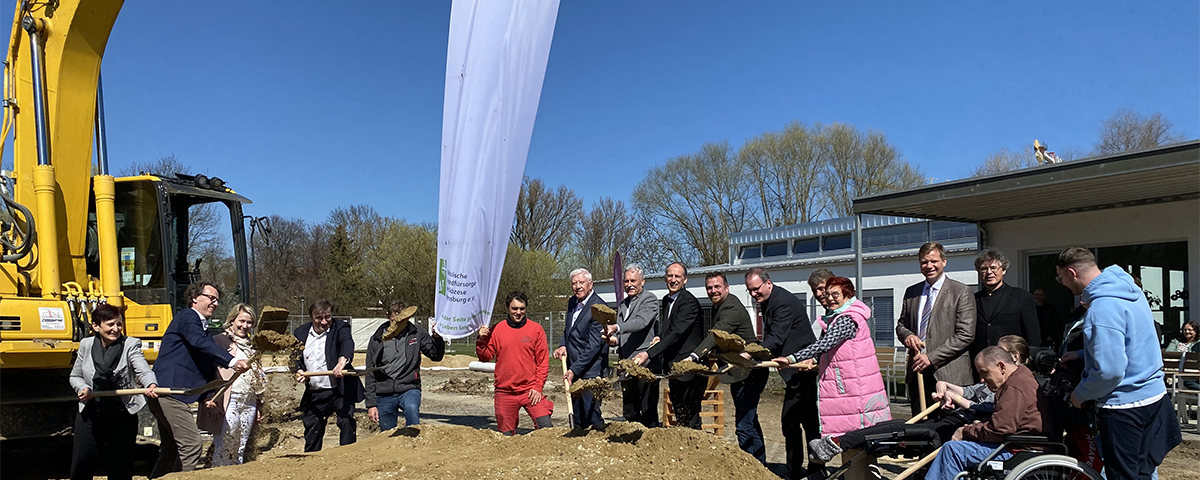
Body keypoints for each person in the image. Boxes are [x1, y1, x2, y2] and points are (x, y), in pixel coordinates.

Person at [807, 336, 1032, 465]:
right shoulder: (994, 380)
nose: (984, 375)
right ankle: (841, 443)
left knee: (903, 431)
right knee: (891, 425)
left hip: (964, 425)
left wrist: (958, 402)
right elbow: (968, 391)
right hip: (958, 418)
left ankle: (837, 443)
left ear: (1011, 360)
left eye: (1000, 353)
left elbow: (987, 411)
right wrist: (944, 386)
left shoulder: (1011, 385)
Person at [1057, 247, 1181, 479]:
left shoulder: (1101, 309)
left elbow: (1109, 372)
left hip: (1123, 408)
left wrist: (1080, 395)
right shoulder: (1132, 292)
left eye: (1061, 277)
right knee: (1144, 473)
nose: (1062, 284)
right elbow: (1137, 342)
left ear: (1072, 273)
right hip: (1155, 398)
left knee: (1123, 475)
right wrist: (1084, 355)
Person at [149, 281, 249, 477]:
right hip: (170, 392)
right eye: (211, 298)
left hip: (172, 392)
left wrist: (209, 394)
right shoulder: (188, 317)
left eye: (217, 300)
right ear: (195, 298)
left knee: (171, 447)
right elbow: (200, 344)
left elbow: (203, 364)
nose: (215, 303)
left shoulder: (200, 328)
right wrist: (232, 360)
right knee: (191, 445)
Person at [774, 276, 891, 439]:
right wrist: (814, 360)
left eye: (835, 294)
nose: (830, 299)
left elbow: (826, 343)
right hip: (851, 386)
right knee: (852, 438)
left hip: (855, 390)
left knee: (856, 438)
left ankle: (859, 465)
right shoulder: (840, 317)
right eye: (827, 295)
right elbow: (834, 349)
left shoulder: (848, 319)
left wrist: (791, 359)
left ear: (848, 295)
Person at [925, 346, 1052, 480]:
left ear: (1001, 367)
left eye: (985, 373)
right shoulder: (1020, 377)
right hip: (1017, 443)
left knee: (952, 451)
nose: (982, 379)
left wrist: (966, 431)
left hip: (1019, 449)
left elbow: (1000, 429)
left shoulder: (1014, 387)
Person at [744, 267, 820, 480]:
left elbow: (777, 337)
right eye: (749, 291)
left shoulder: (782, 302)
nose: (753, 294)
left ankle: (806, 470)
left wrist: (751, 353)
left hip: (802, 368)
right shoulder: (769, 301)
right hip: (793, 370)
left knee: (797, 422)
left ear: (768, 283)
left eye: (756, 289)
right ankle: (806, 469)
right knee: (801, 422)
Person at [70, 304, 159, 480]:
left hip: (121, 412)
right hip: (90, 410)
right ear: (96, 326)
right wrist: (82, 388)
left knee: (121, 464)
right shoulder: (86, 345)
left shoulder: (130, 344)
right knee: (83, 461)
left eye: (119, 324)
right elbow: (75, 375)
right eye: (110, 324)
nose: (115, 329)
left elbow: (142, 370)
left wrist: (151, 384)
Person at [685, 271, 767, 464]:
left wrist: (695, 356)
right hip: (739, 371)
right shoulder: (719, 306)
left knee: (744, 425)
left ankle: (750, 467)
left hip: (749, 371)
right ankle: (760, 466)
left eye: (717, 287)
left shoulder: (730, 308)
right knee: (750, 420)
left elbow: (716, 335)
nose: (713, 291)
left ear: (726, 288)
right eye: (709, 288)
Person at [896, 241, 976, 416]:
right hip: (918, 373)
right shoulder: (912, 292)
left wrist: (931, 357)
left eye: (934, 261)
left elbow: (965, 335)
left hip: (950, 374)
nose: (929, 266)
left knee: (949, 429)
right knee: (920, 429)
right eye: (924, 262)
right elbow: (901, 325)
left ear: (944, 262)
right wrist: (908, 336)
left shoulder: (961, 291)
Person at [633, 262, 704, 429]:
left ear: (685, 280)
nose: (673, 280)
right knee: (680, 414)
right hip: (674, 367)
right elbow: (669, 330)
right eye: (670, 276)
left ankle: (695, 452)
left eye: (677, 276)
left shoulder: (689, 303)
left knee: (691, 417)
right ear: (665, 278)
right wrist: (659, 337)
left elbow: (676, 333)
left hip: (689, 367)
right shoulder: (666, 300)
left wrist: (648, 354)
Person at [476, 291, 554, 435]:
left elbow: (543, 362)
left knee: (546, 428)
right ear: (507, 309)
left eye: (522, 309)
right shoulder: (497, 329)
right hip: (505, 392)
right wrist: (481, 341)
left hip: (530, 391)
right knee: (506, 437)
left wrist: (537, 387)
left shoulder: (536, 329)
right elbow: (485, 357)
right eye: (514, 308)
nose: (518, 312)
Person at [200, 303, 268, 466]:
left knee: (240, 447)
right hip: (229, 400)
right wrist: (210, 398)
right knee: (225, 445)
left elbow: (257, 373)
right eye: (242, 321)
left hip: (249, 400)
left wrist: (259, 403)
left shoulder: (252, 346)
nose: (245, 326)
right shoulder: (220, 342)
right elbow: (209, 371)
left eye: (249, 323)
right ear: (232, 320)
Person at [294, 300, 363, 452]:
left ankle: (347, 456)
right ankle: (311, 462)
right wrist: (298, 370)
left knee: (346, 421)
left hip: (339, 390)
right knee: (313, 427)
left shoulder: (340, 328)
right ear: (312, 317)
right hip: (315, 391)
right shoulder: (300, 333)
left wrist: (342, 361)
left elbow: (347, 343)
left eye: (328, 317)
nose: (324, 322)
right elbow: (295, 358)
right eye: (319, 318)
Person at [365, 301, 445, 431]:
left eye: (400, 322)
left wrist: (437, 337)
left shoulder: (416, 333)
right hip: (384, 391)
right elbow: (370, 371)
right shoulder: (377, 339)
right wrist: (370, 404)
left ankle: (414, 439)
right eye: (392, 321)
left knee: (411, 407)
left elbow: (435, 355)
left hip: (409, 387)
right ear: (388, 318)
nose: (395, 325)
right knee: (387, 433)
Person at [602, 264, 660, 428]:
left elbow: (640, 322)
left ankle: (650, 445)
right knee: (629, 410)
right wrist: (615, 340)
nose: (629, 284)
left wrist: (617, 327)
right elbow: (624, 334)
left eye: (633, 280)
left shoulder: (649, 299)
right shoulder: (623, 304)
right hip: (626, 363)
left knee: (647, 410)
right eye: (626, 281)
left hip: (645, 363)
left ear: (642, 281)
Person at [553, 268, 607, 429]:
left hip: (590, 370)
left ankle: (599, 445)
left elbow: (594, 345)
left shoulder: (598, 307)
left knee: (592, 414)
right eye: (574, 283)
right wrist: (563, 344)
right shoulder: (572, 302)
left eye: (581, 282)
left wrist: (574, 370)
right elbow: (568, 330)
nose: (578, 286)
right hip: (573, 367)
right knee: (577, 414)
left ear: (590, 284)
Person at [969, 248, 1040, 363]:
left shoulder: (1022, 297)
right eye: (984, 269)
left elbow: (1033, 336)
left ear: (1004, 270)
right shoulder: (972, 299)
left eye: (993, 268)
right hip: (981, 364)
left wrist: (1028, 362)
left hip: (1011, 363)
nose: (989, 272)